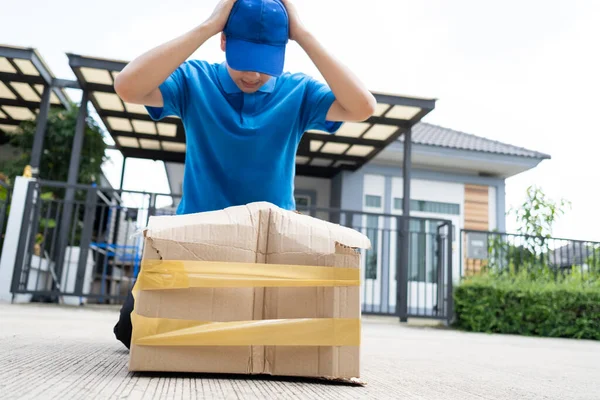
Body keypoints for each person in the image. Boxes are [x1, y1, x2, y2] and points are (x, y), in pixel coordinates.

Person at [112, 0, 376, 349]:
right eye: (243, 60)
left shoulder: (298, 91)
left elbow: (363, 107)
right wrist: (208, 24)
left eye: (265, 63)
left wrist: (304, 34)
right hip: (195, 237)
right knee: (131, 331)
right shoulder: (194, 80)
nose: (252, 75)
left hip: (268, 247)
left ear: (282, 52)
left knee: (265, 339)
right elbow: (127, 86)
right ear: (224, 42)